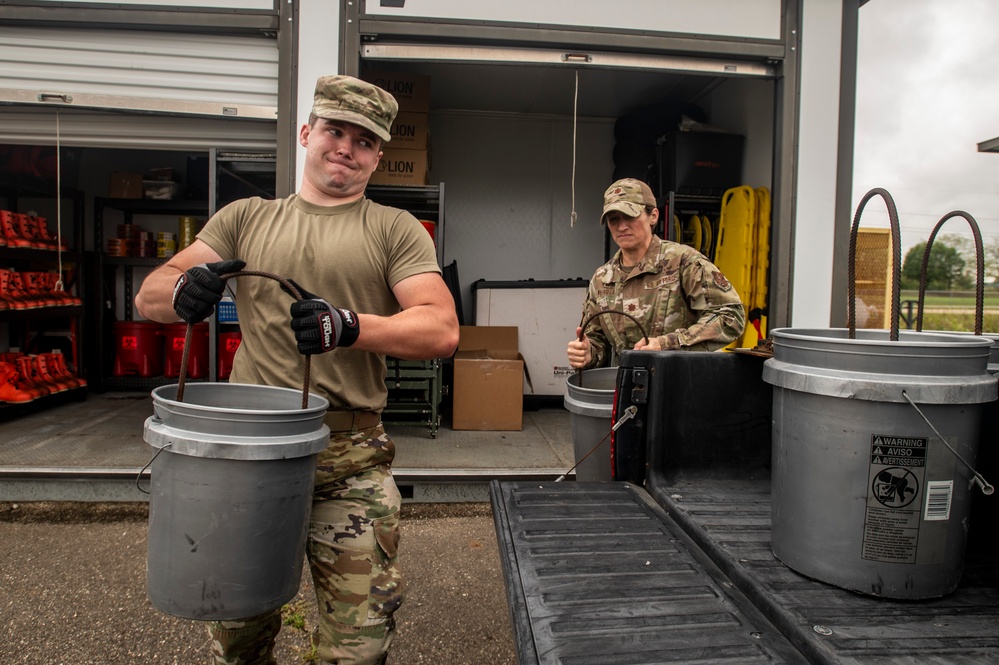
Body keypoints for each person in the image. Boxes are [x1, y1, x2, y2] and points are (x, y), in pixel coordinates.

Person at [135, 75, 459, 665]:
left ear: (378, 156)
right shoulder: (245, 218)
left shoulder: (393, 229)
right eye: (335, 131)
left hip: (349, 459)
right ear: (307, 134)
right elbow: (149, 296)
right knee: (236, 631)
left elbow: (440, 328)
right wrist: (185, 290)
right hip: (248, 455)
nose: (346, 147)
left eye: (364, 140)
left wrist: (351, 326)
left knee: (360, 645)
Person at [566, 178, 745, 369]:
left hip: (682, 384)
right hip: (627, 389)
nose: (621, 226)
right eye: (614, 219)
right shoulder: (602, 279)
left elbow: (730, 317)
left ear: (653, 216)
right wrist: (587, 354)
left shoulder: (683, 262)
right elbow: (596, 340)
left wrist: (666, 344)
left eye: (630, 216)